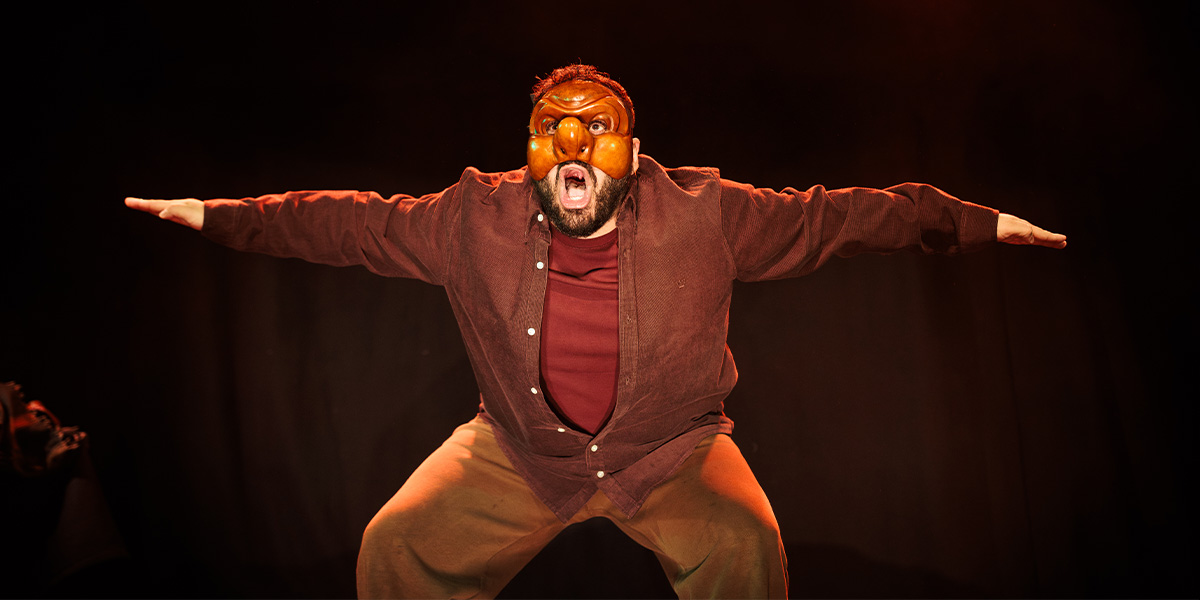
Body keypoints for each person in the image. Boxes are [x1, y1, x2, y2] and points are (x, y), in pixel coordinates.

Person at [126, 64, 1066, 599]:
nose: (572, 148)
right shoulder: (469, 219)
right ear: (531, 150)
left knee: (746, 543)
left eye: (595, 130)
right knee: (395, 544)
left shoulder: (709, 213)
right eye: (551, 131)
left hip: (673, 451)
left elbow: (847, 217)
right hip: (518, 454)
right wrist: (221, 213)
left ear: (631, 148)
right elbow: (346, 222)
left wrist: (970, 219)